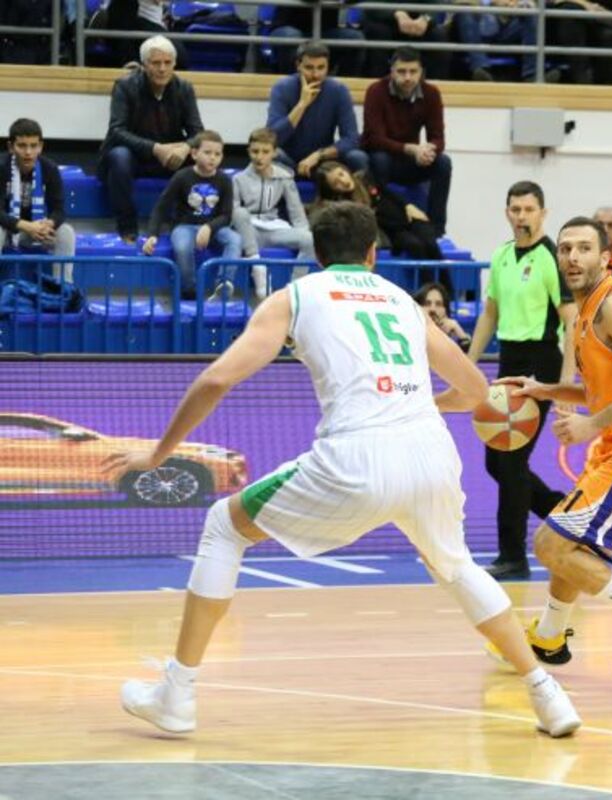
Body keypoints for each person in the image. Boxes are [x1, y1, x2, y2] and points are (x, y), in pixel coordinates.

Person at [111, 201, 581, 740]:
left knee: (224, 525)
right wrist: (421, 404)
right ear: (372, 253)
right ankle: (547, 693)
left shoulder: (296, 297)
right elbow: (477, 390)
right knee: (457, 568)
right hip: (430, 453)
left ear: (317, 253)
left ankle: (177, 693)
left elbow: (217, 379)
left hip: (355, 459)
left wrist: (158, 454)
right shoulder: (404, 301)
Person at [495, 216, 612, 676]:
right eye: (565, 249)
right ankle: (548, 636)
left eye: (583, 248)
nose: (572, 257)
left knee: (551, 543)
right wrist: (546, 390)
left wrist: (591, 425)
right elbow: (606, 389)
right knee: (569, 542)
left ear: (604, 258)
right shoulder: (584, 312)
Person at [466, 181, 576, 580]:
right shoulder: (501, 255)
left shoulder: (551, 257)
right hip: (509, 360)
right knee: (495, 462)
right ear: (507, 212)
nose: (521, 216)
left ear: (543, 213)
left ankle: (513, 557)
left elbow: (572, 321)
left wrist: (564, 386)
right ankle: (564, 514)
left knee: (512, 461)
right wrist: (467, 365)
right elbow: (489, 315)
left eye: (529, 209)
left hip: (541, 361)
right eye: (515, 209)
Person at [98, 35, 203, 242]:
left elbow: (198, 132)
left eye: (167, 62)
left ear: (174, 64)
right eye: (156, 63)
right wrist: (155, 148)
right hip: (134, 155)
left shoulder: (185, 88)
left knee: (202, 156)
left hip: (169, 157)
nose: (162, 69)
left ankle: (187, 223)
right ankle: (127, 228)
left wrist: (184, 148)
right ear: (144, 65)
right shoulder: (125, 86)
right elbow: (117, 131)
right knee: (119, 157)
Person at [362, 47, 453, 239]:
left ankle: (437, 228)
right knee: (380, 159)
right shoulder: (376, 91)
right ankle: (383, 223)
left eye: (413, 71)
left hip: (411, 161)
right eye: (401, 71)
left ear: (421, 72)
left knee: (443, 163)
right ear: (392, 71)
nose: (408, 77)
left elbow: (438, 137)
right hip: (382, 158)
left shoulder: (431, 93)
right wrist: (409, 148)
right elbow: (373, 138)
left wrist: (429, 149)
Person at [142, 130, 240, 301]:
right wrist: (152, 235)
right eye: (207, 153)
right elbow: (161, 207)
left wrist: (209, 227)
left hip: (213, 227)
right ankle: (189, 291)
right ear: (194, 154)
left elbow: (227, 215)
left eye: (217, 154)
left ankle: (224, 283)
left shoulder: (224, 180)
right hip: (184, 226)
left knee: (235, 240)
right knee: (182, 247)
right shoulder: (182, 176)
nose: (213, 158)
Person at [231, 128, 315, 300]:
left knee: (310, 239)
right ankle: (258, 269)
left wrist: (303, 233)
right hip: (250, 231)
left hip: (274, 228)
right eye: (255, 151)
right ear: (248, 151)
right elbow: (233, 212)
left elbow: (296, 212)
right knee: (239, 213)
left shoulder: (285, 177)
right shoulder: (238, 179)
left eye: (265, 152)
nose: (259, 157)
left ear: (274, 153)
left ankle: (295, 288)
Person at [266, 42, 369, 180]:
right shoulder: (282, 88)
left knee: (358, 157)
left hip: (323, 162)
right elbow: (272, 138)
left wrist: (319, 155)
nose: (315, 75)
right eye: (309, 68)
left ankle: (363, 193)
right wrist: (302, 105)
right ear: (298, 66)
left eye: (321, 68)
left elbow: (351, 139)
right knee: (273, 155)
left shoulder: (338, 90)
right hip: (289, 161)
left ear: (328, 67)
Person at [311, 161, 442, 267]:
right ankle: (429, 287)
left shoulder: (365, 178)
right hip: (393, 231)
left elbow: (388, 193)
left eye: (341, 174)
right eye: (336, 183)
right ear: (332, 190)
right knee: (415, 246)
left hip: (408, 217)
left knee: (431, 243)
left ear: (345, 170)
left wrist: (407, 205)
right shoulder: (346, 205)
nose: (343, 181)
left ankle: (446, 287)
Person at [0, 118, 76, 282]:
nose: (28, 152)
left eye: (33, 146)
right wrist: (26, 226)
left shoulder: (50, 169)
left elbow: (59, 210)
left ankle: (63, 289)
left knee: (66, 233)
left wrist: (50, 223)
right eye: (22, 146)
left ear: (41, 146)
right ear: (11, 147)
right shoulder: (1, 166)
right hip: (7, 229)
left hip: (37, 230)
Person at [266, 0, 365, 77]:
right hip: (287, 27)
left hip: (325, 31)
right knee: (290, 36)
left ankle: (342, 86)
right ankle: (292, 84)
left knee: (355, 38)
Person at [360, 2, 450, 80]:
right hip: (384, 22)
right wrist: (396, 13)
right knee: (377, 32)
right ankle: (377, 83)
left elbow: (435, 4)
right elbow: (370, 6)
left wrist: (425, 18)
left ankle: (436, 85)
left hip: (418, 23)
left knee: (438, 35)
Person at [415, 281, 472, 350]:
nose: (432, 309)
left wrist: (459, 332)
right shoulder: (410, 333)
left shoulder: (451, 339)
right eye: (427, 304)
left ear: (445, 311)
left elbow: (470, 355)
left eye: (438, 304)